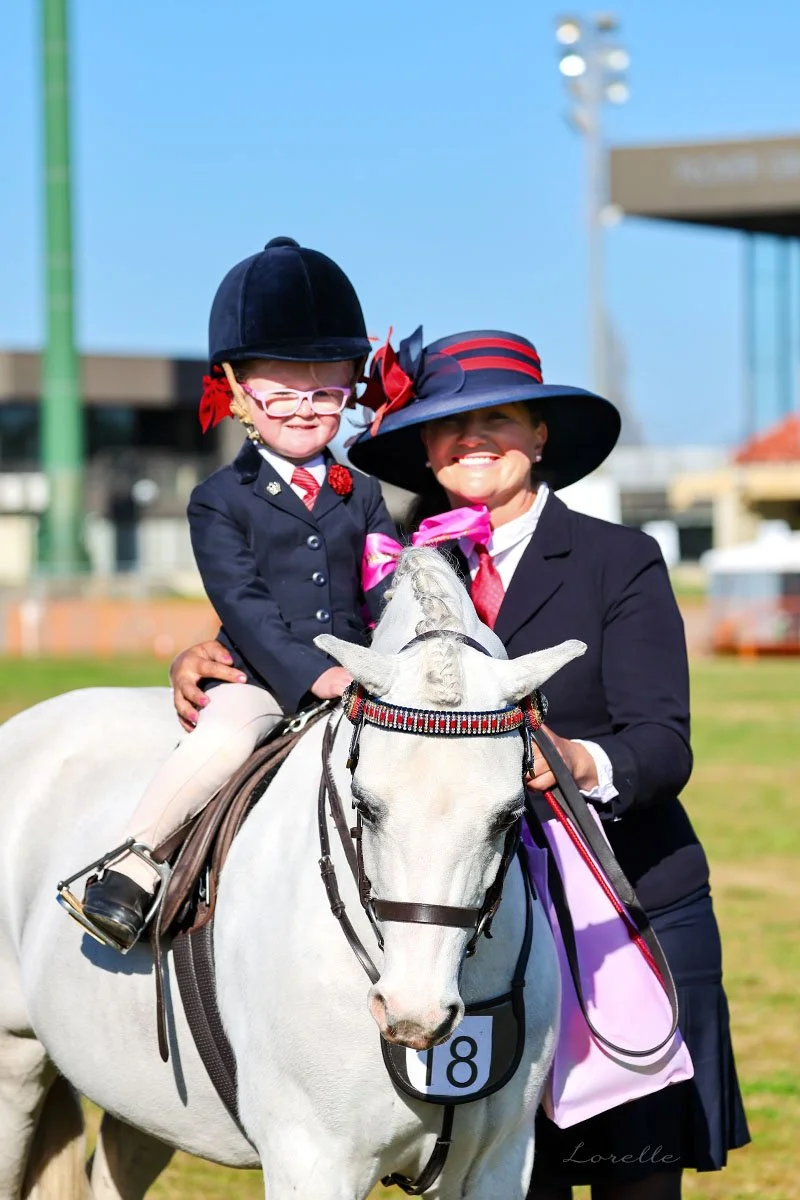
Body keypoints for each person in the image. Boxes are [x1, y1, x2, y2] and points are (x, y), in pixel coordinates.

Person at [172, 326, 750, 1198]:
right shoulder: (397, 562)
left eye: (500, 420)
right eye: (446, 426)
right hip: (458, 929)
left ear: (541, 435)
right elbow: (296, 618)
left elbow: (664, 742)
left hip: (618, 910)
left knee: (633, 1182)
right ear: (425, 451)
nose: (471, 441)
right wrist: (203, 657)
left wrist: (573, 761)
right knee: (511, 1177)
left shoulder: (618, 560)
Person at [75, 237, 397, 951]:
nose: (306, 410)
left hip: (362, 676)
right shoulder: (218, 499)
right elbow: (243, 602)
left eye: (326, 393)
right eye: (283, 394)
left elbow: (386, 582)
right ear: (241, 396)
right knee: (221, 740)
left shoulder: (365, 493)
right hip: (260, 675)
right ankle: (131, 865)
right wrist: (318, 675)